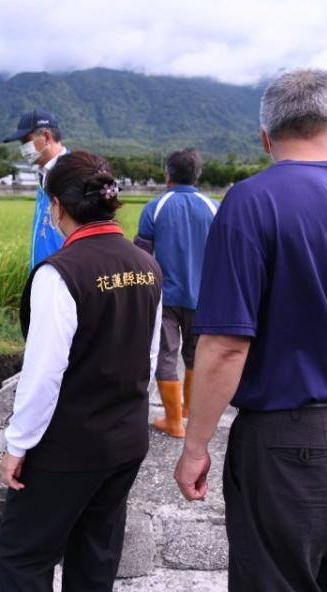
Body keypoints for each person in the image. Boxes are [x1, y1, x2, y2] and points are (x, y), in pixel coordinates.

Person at [173, 68, 327, 591]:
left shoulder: (250, 201)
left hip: (285, 447)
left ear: (266, 137)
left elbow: (224, 347)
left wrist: (195, 447)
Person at [0, 151, 162, 592]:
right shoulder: (147, 266)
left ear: (59, 207)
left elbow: (43, 375)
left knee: (23, 555)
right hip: (126, 440)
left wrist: (17, 444)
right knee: (96, 555)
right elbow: (148, 358)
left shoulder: (61, 273)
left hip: (70, 448)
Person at [134, 148, 217, 437]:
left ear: (168, 174)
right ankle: (189, 413)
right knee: (196, 357)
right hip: (204, 299)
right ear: (197, 175)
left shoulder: (155, 207)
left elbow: (141, 256)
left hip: (164, 300)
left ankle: (173, 422)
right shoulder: (213, 207)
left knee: (166, 357)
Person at [3, 109, 69, 270]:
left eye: (26, 141)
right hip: (44, 279)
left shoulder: (73, 174)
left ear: (46, 137)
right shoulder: (44, 175)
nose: (23, 149)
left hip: (65, 281)